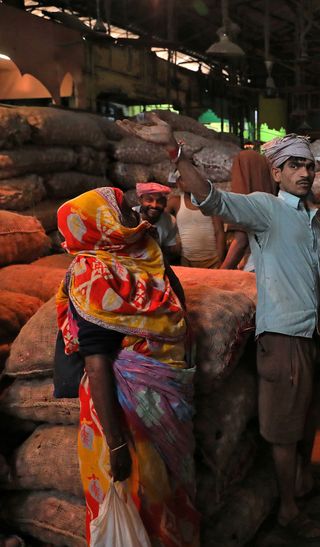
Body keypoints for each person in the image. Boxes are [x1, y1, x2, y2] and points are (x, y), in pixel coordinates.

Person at [118, 114, 320, 543]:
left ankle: (304, 482)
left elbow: (318, 280)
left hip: (309, 337)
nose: (304, 172)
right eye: (294, 165)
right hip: (282, 340)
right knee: (284, 428)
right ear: (276, 172)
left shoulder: (310, 221)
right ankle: (289, 510)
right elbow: (211, 198)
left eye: (309, 165)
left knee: (308, 417)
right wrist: (176, 154)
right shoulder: (267, 208)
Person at [54, 187, 199, 546]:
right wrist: (116, 443)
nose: (135, 213)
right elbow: (96, 358)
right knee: (141, 497)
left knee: (171, 494)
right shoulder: (91, 273)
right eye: (123, 209)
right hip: (123, 407)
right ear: (104, 222)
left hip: (165, 392)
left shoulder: (145, 253)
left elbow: (177, 309)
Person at [220, 150, 277, 270]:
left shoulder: (248, 203)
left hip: (256, 267)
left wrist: (220, 273)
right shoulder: (274, 202)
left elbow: (242, 240)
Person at [167, 190, 226, 268]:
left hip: (213, 261)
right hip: (187, 261)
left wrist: (221, 260)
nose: (189, 182)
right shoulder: (175, 202)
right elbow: (159, 219)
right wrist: (172, 243)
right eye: (184, 179)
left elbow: (219, 231)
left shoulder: (211, 202)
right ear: (178, 183)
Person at [133, 182, 181, 261]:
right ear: (140, 200)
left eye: (160, 201)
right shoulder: (129, 217)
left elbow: (167, 250)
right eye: (149, 200)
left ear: (165, 203)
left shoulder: (170, 220)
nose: (154, 205)